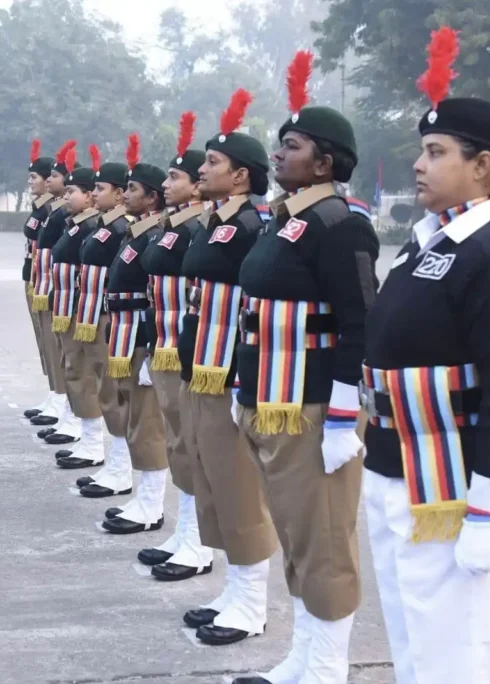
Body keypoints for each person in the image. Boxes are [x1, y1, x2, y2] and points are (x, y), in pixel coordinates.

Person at [360, 28, 490, 684]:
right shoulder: (428, 243)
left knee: (461, 648)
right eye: (421, 150)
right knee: (415, 634)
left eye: (436, 151)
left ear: (482, 165)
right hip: (397, 464)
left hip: (456, 479)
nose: (419, 163)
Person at [232, 52, 380, 684]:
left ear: (324, 161)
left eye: (290, 146)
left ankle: (326, 667)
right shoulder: (282, 221)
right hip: (269, 400)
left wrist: (344, 419)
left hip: (313, 408)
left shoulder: (340, 224)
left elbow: (359, 325)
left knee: (324, 541)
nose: (278, 153)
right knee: (297, 534)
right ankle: (302, 656)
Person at [179, 89, 278, 647]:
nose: (202, 169)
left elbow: (253, 308)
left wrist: (245, 376)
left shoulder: (251, 227)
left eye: (213, 163)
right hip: (201, 363)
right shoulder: (216, 221)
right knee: (211, 477)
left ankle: (252, 600)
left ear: (241, 176)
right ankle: (233, 587)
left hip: (228, 368)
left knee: (239, 486)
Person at [137, 112, 213, 582]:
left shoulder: (196, 227)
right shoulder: (174, 224)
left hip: (187, 349)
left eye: (176, 176)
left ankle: (198, 543)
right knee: (179, 444)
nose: (167, 183)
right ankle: (185, 531)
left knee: (192, 448)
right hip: (165, 344)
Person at [97, 134, 169, 535]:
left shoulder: (155, 235)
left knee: (147, 422)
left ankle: (151, 504)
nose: (126, 195)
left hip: (141, 334)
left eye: (133, 190)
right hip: (124, 333)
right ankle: (138, 492)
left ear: (153, 198)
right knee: (130, 414)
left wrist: (154, 346)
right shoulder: (136, 233)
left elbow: (159, 295)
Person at [71, 156, 135, 498]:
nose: (94, 194)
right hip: (92, 314)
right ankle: (111, 461)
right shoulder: (105, 226)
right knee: (103, 389)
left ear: (121, 193)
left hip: (109, 317)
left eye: (100, 188)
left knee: (114, 395)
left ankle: (120, 468)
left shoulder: (122, 228)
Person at [47, 146, 106, 466]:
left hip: (85, 309)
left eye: (73, 191)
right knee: (73, 369)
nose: (67, 196)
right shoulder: (75, 223)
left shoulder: (94, 226)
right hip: (68, 304)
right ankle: (83, 434)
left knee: (85, 373)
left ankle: (93, 443)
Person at [29, 141, 80, 440]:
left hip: (62, 289)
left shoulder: (62, 214)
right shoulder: (52, 209)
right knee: (50, 347)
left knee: (68, 355)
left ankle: (65, 405)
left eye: (53, 177)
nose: (48, 181)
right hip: (46, 281)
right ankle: (57, 397)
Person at [21, 141, 58, 420]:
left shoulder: (51, 212)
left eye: (35, 177)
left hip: (47, 282)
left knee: (53, 343)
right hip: (33, 278)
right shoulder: (40, 209)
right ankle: (54, 391)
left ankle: (61, 397)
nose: (30, 182)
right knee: (43, 341)